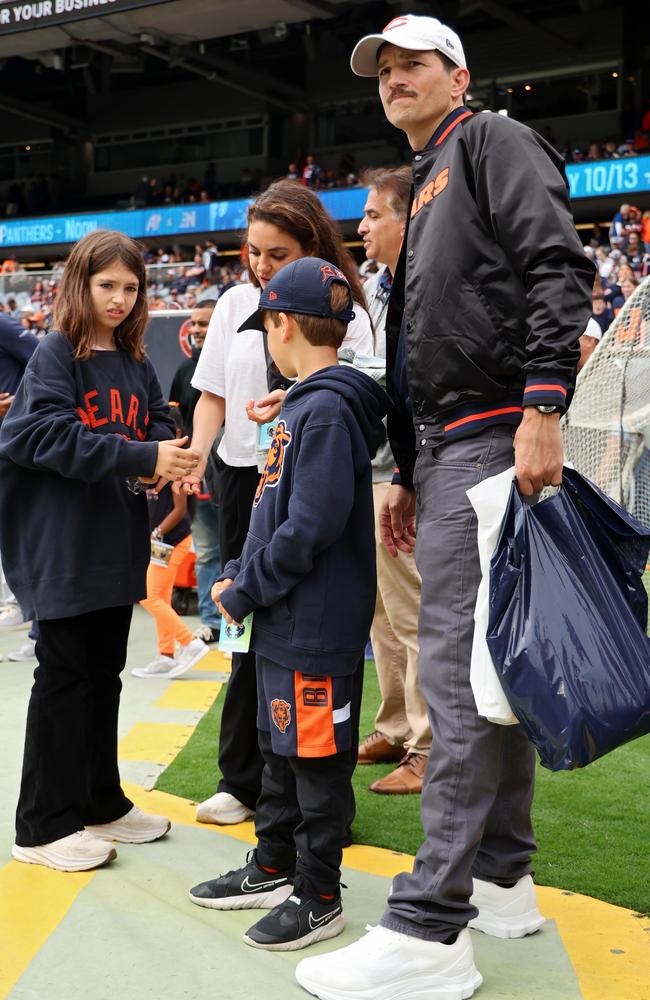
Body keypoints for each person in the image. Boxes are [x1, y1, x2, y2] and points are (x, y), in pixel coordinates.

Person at [295, 15, 594, 999]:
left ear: (456, 72)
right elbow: (427, 345)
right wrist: (412, 468)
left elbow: (557, 266)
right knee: (487, 666)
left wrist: (544, 404)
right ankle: (502, 880)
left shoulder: (489, 140)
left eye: (410, 64)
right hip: (458, 443)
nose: (392, 81)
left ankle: (428, 926)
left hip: (499, 424)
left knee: (453, 674)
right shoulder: (427, 177)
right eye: (381, 72)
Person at [188, 257, 388, 951]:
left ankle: (318, 892)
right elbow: (277, 511)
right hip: (282, 619)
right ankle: (274, 864)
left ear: (280, 324)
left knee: (315, 763)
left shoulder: (326, 407)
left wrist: (244, 586)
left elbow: (313, 525)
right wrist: (240, 570)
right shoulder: (307, 402)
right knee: (278, 752)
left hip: (314, 623)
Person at [0, 229, 201, 873]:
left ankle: (99, 801)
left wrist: (164, 452)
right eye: (106, 285)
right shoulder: (57, 352)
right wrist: (144, 454)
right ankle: (40, 825)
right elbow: (37, 434)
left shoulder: (137, 360)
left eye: (130, 287)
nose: (119, 298)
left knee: (103, 675)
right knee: (63, 680)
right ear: (79, 286)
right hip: (61, 544)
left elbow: (158, 418)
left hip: (114, 541)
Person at [181, 180, 374, 827]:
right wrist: (194, 460)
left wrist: (296, 402)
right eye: (253, 251)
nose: (261, 265)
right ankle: (250, 786)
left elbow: (317, 513)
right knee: (251, 643)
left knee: (293, 636)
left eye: (278, 252)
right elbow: (211, 393)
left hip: (303, 492)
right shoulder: (236, 300)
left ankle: (306, 824)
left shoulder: (338, 322)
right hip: (247, 480)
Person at [356, 166, 431, 794]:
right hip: (376, 466)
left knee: (413, 611)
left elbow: (408, 378)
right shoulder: (374, 287)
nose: (362, 226)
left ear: (408, 217)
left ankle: (429, 746)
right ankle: (397, 723)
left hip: (410, 468)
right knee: (381, 613)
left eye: (374, 214)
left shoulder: (430, 276)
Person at [133, 405, 210, 679]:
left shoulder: (176, 463)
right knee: (161, 596)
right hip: (161, 541)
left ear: (177, 433)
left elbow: (180, 510)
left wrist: (157, 532)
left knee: (147, 596)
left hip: (170, 540)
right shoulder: (152, 460)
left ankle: (189, 642)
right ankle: (166, 655)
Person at [169, 298, 222, 644]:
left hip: (239, 472)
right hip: (199, 476)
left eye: (205, 323)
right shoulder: (184, 372)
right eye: (195, 323)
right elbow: (175, 428)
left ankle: (239, 622)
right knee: (206, 552)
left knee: (242, 547)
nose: (199, 329)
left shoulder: (235, 361)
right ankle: (211, 621)